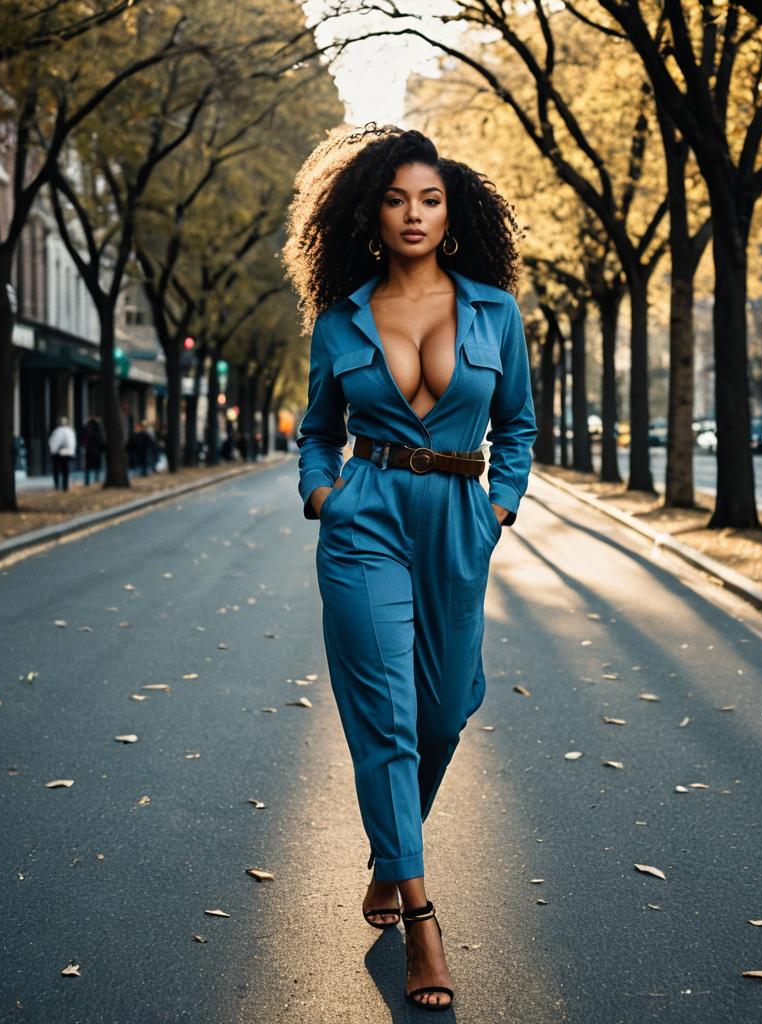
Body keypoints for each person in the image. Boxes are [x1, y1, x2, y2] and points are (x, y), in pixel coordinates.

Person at [284, 125, 536, 1011]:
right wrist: (324, 496)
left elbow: (520, 428)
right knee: (387, 716)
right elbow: (317, 431)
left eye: (428, 198)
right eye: (395, 199)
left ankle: (391, 856)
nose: (413, 214)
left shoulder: (496, 313)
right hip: (365, 524)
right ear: (371, 214)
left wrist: (498, 509)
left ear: (452, 210)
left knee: (443, 709)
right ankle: (421, 917)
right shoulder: (341, 317)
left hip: (460, 521)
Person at [47, 416, 76, 491]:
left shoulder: (57, 431)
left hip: (59, 453)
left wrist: (53, 451)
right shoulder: (69, 431)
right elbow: (72, 443)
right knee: (65, 470)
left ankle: (58, 486)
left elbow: (53, 442)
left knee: (58, 470)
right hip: (66, 453)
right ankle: (64, 486)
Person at [81, 416, 106, 484]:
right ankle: (96, 480)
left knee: (88, 467)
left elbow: (83, 439)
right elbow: (101, 439)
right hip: (97, 450)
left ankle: (87, 481)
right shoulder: (98, 429)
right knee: (97, 466)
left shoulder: (87, 428)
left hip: (89, 450)